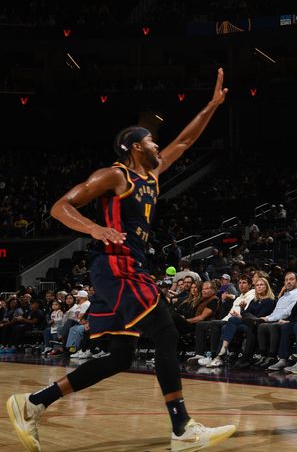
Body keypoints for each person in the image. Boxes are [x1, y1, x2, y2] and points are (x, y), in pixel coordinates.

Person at [7, 68, 235, 452]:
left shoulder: (153, 176)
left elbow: (185, 141)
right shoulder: (114, 176)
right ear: (133, 147)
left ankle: (33, 403)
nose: (157, 144)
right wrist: (95, 229)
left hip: (132, 266)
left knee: (120, 357)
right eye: (150, 140)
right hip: (117, 265)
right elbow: (60, 207)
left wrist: (212, 106)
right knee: (166, 330)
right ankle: (182, 428)